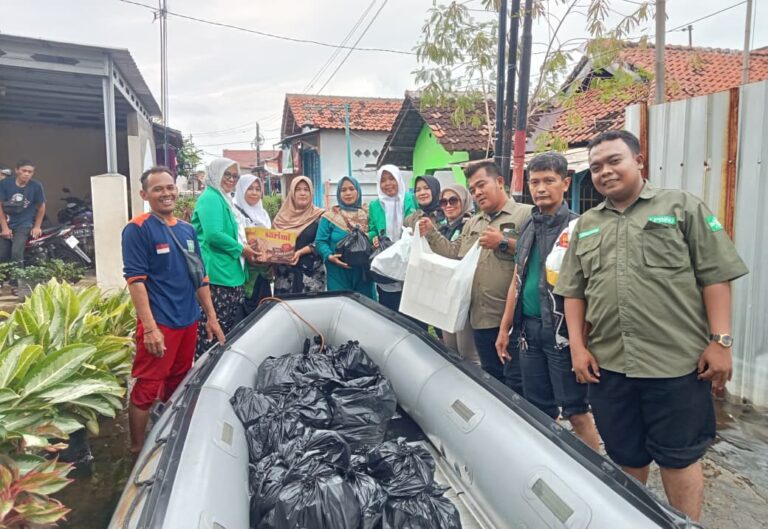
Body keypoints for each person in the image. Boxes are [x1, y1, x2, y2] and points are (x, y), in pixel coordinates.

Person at [554, 130, 748, 521]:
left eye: (614, 161)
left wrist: (721, 341)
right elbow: (574, 292)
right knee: (626, 457)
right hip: (609, 367)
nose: (605, 172)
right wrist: (577, 347)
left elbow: (715, 276)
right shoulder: (586, 225)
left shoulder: (680, 207)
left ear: (639, 161)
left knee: (679, 459)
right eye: (595, 167)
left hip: (676, 366)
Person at [496, 152, 600, 451]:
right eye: (535, 182)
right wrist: (505, 329)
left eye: (549, 181)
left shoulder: (578, 228)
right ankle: (552, 463)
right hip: (529, 331)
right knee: (538, 408)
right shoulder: (529, 225)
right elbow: (517, 280)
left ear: (566, 183)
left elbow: (590, 289)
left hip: (562, 334)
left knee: (577, 411)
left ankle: (602, 478)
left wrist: (582, 341)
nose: (540, 188)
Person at [122, 166, 225, 453]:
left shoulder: (187, 229)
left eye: (170, 187)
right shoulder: (137, 229)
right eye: (158, 189)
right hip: (160, 323)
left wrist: (211, 318)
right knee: (146, 387)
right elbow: (136, 282)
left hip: (188, 320)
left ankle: (165, 440)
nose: (166, 193)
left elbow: (200, 277)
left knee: (178, 381)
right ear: (145, 194)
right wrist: (151, 328)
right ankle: (136, 449)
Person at [419, 161, 532, 391]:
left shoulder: (524, 215)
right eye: (473, 189)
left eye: (482, 185)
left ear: (500, 182)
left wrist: (503, 242)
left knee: (518, 384)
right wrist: (430, 233)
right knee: (491, 381)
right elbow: (454, 253)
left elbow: (538, 254)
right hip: (479, 317)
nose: (478, 192)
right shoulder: (473, 222)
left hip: (511, 320)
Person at [191, 158, 260, 357]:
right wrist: (242, 249)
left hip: (230, 273)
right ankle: (203, 377)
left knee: (226, 332)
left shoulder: (224, 198)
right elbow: (214, 235)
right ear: (215, 174)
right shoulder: (210, 198)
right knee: (212, 334)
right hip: (216, 275)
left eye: (235, 176)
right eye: (226, 174)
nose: (231, 179)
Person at [437, 184, 479, 364]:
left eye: (453, 200)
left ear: (464, 201)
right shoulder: (442, 228)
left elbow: (455, 254)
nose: (448, 205)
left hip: (465, 296)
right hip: (447, 295)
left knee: (468, 353)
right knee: (451, 350)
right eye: (443, 201)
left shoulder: (470, 227)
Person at [315, 176, 375, 298]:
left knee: (366, 309)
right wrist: (329, 256)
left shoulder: (368, 214)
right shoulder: (329, 217)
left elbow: (376, 232)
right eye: (343, 190)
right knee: (340, 308)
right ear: (338, 193)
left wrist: (369, 237)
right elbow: (320, 242)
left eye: (351, 189)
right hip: (337, 272)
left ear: (358, 191)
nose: (348, 193)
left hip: (363, 273)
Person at [368, 164, 417, 311]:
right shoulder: (375, 205)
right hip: (387, 259)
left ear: (398, 179)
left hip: (408, 258)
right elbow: (371, 229)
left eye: (391, 178)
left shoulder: (409, 199)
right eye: (383, 180)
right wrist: (373, 238)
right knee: (390, 307)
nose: (388, 183)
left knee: (411, 308)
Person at [273, 176, 326, 295]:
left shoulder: (321, 216)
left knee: (310, 312)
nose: (302, 193)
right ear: (292, 193)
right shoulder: (280, 218)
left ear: (311, 193)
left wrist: (301, 252)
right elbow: (272, 245)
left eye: (306, 189)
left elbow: (323, 242)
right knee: (285, 311)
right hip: (284, 276)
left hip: (311, 277)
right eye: (298, 189)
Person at [0, 160, 46, 276]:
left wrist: (37, 226)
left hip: (24, 224)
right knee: (2, 254)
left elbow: (41, 206)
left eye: (30, 172)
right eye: (24, 171)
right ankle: (3, 280)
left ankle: (17, 282)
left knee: (16, 253)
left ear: (33, 173)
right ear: (17, 170)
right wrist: (5, 228)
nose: (26, 174)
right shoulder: (5, 184)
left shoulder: (36, 186)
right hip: (7, 223)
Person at [234, 174, 272, 313]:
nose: (254, 193)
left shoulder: (263, 214)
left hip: (263, 274)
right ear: (241, 189)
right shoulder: (234, 212)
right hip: (244, 275)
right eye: (250, 188)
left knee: (264, 315)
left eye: (258, 189)